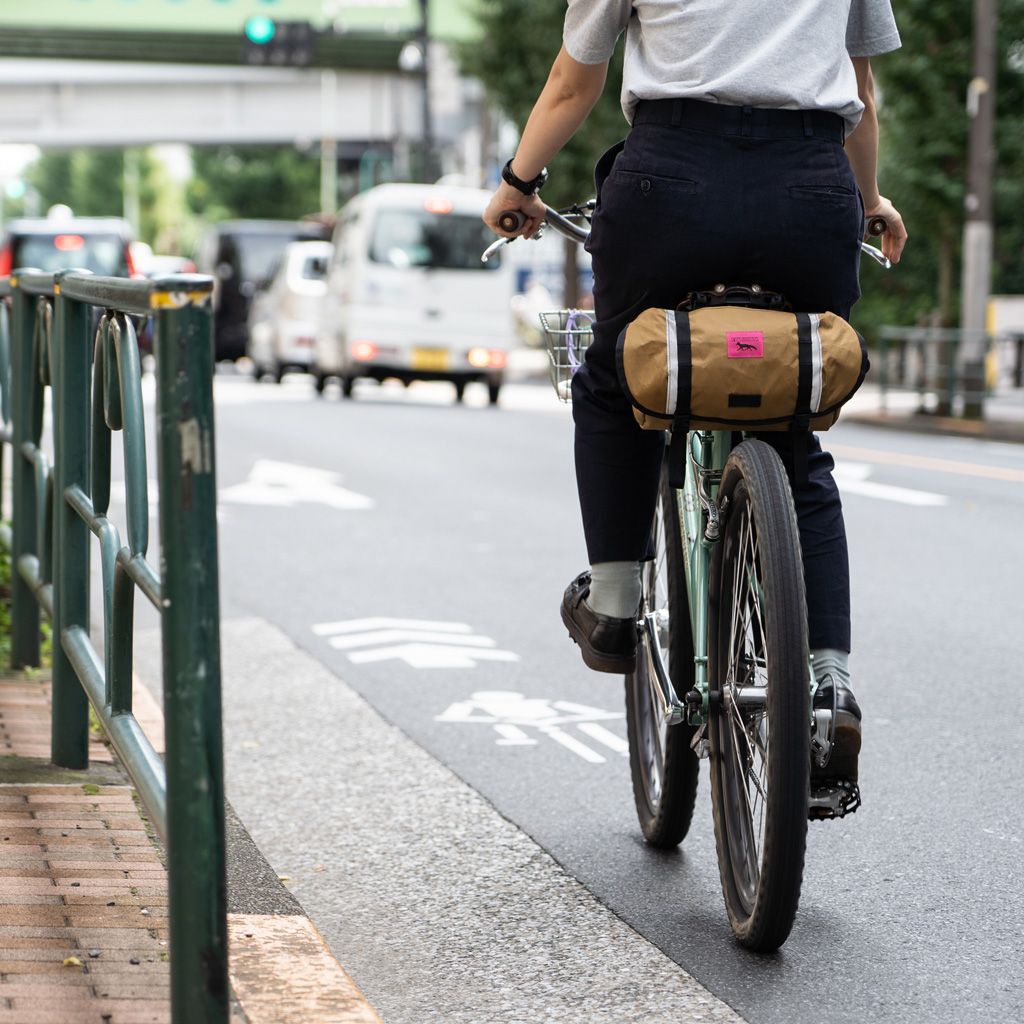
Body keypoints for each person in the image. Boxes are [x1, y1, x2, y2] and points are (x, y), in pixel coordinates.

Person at [483, 0, 908, 785]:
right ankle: (828, 685)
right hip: (809, 192)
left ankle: (613, 601)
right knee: (794, 429)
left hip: (669, 186)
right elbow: (861, 95)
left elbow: (571, 85)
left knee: (612, 379)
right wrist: (868, 198)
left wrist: (519, 182)